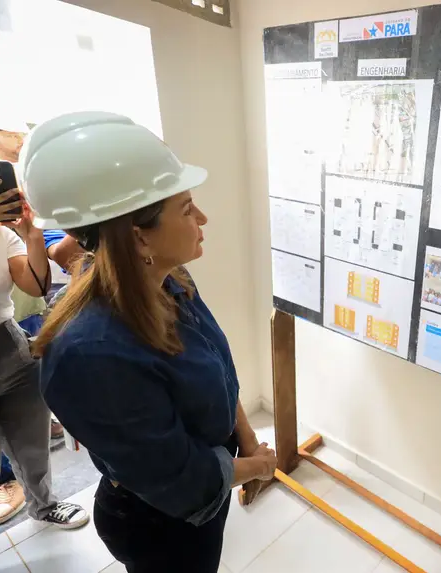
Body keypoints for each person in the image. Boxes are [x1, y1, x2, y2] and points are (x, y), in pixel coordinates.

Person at [25, 111, 278, 573]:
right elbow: (185, 479)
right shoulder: (90, 355)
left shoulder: (171, 279)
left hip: (208, 486)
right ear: (139, 236)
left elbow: (219, 370)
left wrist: (246, 440)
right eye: (186, 208)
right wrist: (259, 467)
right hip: (158, 520)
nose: (203, 218)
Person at [0, 181, 89, 530]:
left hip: (9, 344)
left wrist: (32, 236)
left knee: (31, 442)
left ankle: (44, 505)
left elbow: (35, 285)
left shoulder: (2, 235)